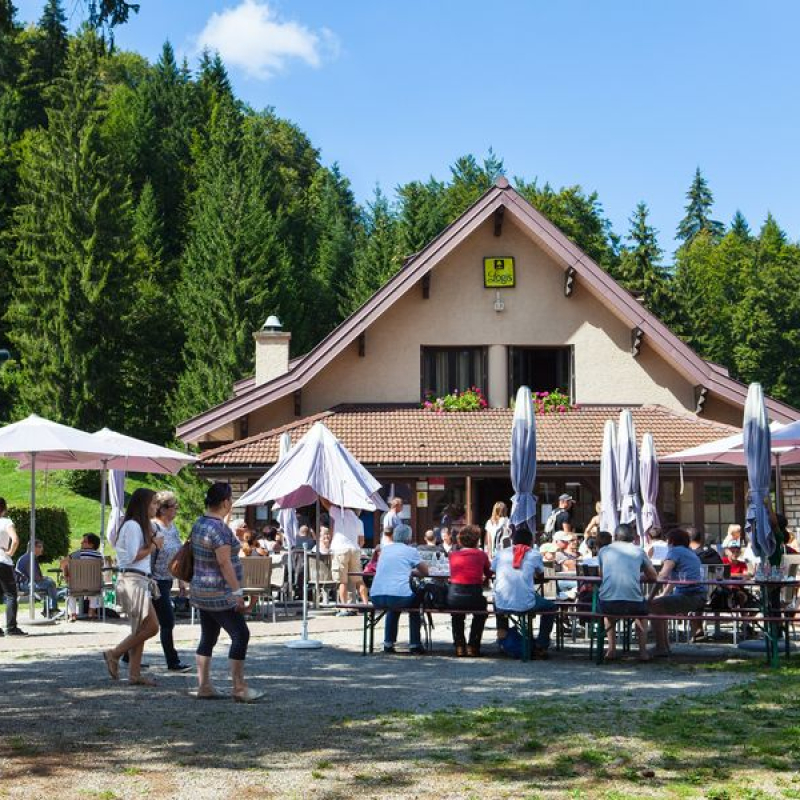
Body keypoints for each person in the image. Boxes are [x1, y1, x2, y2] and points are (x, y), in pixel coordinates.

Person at [190, 482, 262, 703]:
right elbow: (224, 562)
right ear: (225, 502)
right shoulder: (219, 529)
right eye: (230, 499)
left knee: (208, 636)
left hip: (201, 589)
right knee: (241, 634)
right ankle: (239, 687)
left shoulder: (200, 523)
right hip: (219, 592)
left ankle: (204, 686)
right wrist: (237, 591)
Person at [103, 488, 162, 687]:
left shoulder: (137, 526)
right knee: (152, 627)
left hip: (139, 580)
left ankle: (134, 674)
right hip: (133, 580)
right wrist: (153, 545)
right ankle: (115, 653)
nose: (156, 507)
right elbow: (131, 557)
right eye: (153, 503)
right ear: (143, 504)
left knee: (141, 628)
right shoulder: (132, 526)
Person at [597, 523, 659, 662]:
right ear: (632, 537)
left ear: (615, 537)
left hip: (609, 602)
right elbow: (653, 576)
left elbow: (602, 575)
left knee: (608, 615)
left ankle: (611, 649)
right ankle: (643, 652)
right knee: (641, 615)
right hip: (633, 602)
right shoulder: (639, 551)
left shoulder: (604, 551)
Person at [492, 527, 556, 658]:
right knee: (551, 607)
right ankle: (541, 645)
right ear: (531, 542)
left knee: (497, 600)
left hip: (501, 603)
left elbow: (493, 570)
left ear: (513, 540)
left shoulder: (501, 553)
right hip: (526, 604)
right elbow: (542, 575)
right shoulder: (534, 554)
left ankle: (502, 635)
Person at [369, 523, 428, 654]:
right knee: (414, 606)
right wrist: (412, 572)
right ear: (409, 538)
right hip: (398, 597)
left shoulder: (385, 550)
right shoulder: (411, 551)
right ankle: (415, 644)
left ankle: (388, 643)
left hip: (376, 596)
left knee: (393, 606)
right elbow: (425, 572)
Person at [649, 528, 706, 658]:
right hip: (699, 596)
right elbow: (674, 579)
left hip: (689, 595)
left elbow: (662, 576)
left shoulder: (674, 552)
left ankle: (661, 647)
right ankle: (664, 646)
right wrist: (663, 595)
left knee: (653, 606)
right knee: (659, 606)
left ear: (672, 541)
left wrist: (651, 598)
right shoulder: (690, 552)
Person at [151, 491, 192, 672]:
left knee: (147, 623)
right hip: (154, 582)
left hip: (167, 580)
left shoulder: (172, 528)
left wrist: (181, 580)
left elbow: (177, 554)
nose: (176, 510)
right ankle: (172, 662)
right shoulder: (153, 527)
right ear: (164, 509)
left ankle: (127, 655)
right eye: (174, 506)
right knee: (167, 621)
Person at [448, 524, 492, 657]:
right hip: (474, 593)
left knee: (457, 615)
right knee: (481, 613)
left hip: (455, 594)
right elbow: (489, 572)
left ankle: (459, 646)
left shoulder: (453, 555)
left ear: (460, 540)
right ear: (477, 541)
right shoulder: (481, 555)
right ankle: (473, 645)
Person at [322, 499, 369, 614]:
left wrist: (319, 492)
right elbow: (361, 541)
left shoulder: (338, 513)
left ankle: (344, 607)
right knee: (359, 580)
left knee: (342, 581)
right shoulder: (358, 520)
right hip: (354, 549)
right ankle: (366, 605)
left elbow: (325, 503)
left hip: (340, 549)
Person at [61, 533, 103, 621]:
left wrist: (66, 575)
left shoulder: (78, 553)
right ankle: (91, 611)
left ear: (91, 544)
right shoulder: (99, 556)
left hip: (76, 586)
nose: (81, 542)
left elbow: (63, 562)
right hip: (93, 586)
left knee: (71, 593)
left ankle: (73, 614)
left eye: (84, 541)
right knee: (95, 589)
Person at [0, 497, 26, 636]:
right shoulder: (6, 522)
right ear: (4, 509)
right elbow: (15, 540)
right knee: (11, 595)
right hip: (2, 560)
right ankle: (11, 628)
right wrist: (10, 552)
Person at [16, 539, 61, 618]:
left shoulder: (29, 557)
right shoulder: (29, 558)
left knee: (49, 583)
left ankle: (48, 611)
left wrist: (44, 578)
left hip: (25, 583)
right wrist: (45, 579)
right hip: (25, 585)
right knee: (50, 584)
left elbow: (35, 576)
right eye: (40, 547)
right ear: (33, 548)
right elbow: (36, 578)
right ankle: (53, 610)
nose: (42, 549)